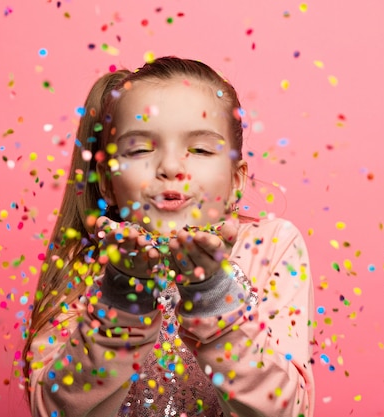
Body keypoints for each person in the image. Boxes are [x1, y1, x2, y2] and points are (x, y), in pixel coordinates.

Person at [20, 56, 315, 417]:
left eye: (202, 150)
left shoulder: (271, 245)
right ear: (108, 182)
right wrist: (123, 295)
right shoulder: (85, 260)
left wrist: (212, 293)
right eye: (141, 149)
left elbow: (288, 411)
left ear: (236, 180)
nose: (171, 167)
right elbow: (56, 412)